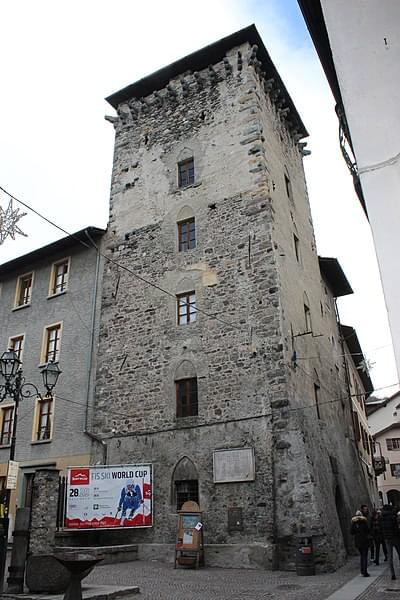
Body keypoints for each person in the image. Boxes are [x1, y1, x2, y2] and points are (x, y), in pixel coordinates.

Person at [381, 504, 400, 580]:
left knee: (390, 557)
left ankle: (392, 574)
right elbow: (396, 528)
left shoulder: (381, 518)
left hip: (387, 539)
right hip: (395, 538)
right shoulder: (392, 517)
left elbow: (381, 528)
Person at [351, 509, 371, 577]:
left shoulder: (354, 523)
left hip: (358, 542)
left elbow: (351, 532)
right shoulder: (364, 522)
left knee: (362, 556)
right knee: (364, 556)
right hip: (364, 541)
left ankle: (362, 570)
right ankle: (365, 571)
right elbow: (368, 530)